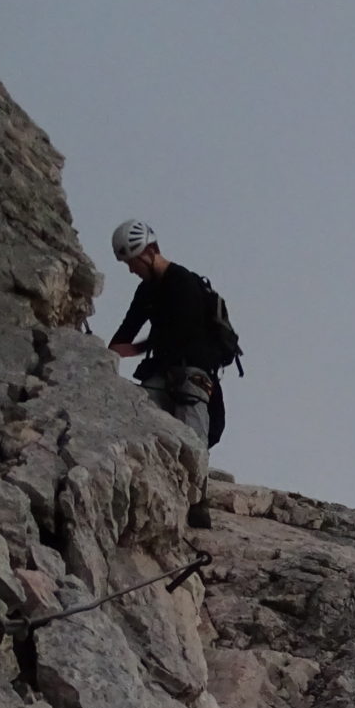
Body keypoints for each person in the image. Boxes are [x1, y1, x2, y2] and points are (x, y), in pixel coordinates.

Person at [107, 218, 225, 527]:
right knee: (136, 416)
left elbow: (182, 331)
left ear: (148, 252)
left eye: (132, 262)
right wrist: (105, 351)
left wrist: (132, 350)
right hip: (165, 371)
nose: (131, 269)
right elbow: (126, 332)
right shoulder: (146, 291)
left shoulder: (183, 281)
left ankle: (198, 502)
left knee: (191, 435)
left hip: (191, 372)